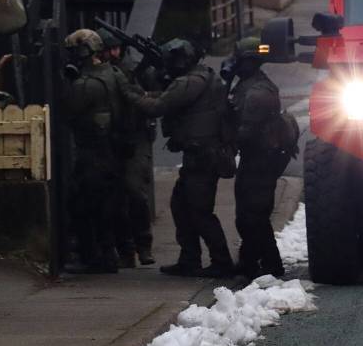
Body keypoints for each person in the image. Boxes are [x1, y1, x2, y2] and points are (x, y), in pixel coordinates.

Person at [127, 39, 236, 277]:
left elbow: (158, 106)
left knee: (200, 212)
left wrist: (131, 94)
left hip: (203, 156)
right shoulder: (200, 76)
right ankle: (189, 259)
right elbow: (166, 95)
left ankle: (222, 262)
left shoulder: (191, 81)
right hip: (199, 156)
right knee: (181, 206)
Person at [62, 29, 135, 274]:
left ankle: (96, 257)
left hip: (93, 152)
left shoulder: (85, 84)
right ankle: (118, 253)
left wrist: (67, 81)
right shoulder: (114, 74)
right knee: (110, 205)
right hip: (114, 150)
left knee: (83, 206)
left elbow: (68, 110)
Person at [228, 38, 297, 279]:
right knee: (248, 215)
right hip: (255, 158)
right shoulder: (248, 85)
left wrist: (224, 140)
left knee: (254, 215)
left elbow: (245, 132)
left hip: (261, 160)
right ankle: (253, 262)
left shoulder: (258, 92)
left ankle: (266, 264)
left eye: (238, 59)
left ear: (248, 61)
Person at [97, 28, 157, 268]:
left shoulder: (133, 70)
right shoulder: (101, 73)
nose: (113, 53)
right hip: (112, 137)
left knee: (134, 190)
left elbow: (151, 96)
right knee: (113, 196)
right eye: (108, 49)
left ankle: (143, 244)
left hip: (136, 134)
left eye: (116, 48)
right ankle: (125, 249)